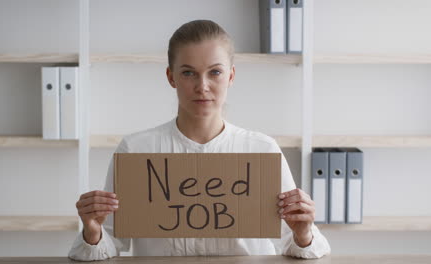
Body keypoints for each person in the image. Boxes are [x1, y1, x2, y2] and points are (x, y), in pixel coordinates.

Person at [68, 20, 331, 261]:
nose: (202, 86)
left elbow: (300, 247)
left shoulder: (262, 150)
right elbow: (110, 245)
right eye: (188, 73)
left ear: (231, 76)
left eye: (214, 72)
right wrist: (93, 231)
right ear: (171, 77)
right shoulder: (135, 151)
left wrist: (303, 232)